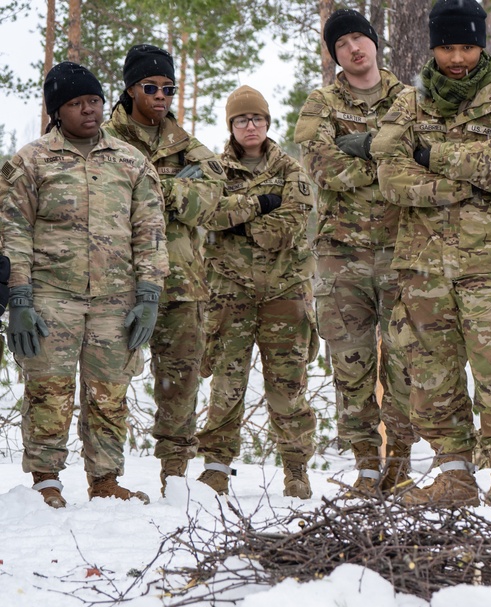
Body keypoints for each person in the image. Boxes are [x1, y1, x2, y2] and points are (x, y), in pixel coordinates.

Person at [371, 0, 491, 508]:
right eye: (448, 47)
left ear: (481, 45)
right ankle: (455, 474)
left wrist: (435, 155)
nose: (458, 58)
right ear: (433, 46)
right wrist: (455, 188)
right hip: (422, 266)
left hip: (489, 266)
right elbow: (388, 173)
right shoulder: (409, 103)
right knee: (430, 377)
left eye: (467, 46)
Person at [0, 62, 167, 507]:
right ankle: (45, 480)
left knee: (110, 395)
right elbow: (13, 231)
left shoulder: (131, 161)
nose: (89, 111)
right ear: (58, 111)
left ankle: (106, 480)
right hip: (51, 298)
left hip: (116, 301)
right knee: (49, 392)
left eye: (93, 100)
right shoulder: (31, 161)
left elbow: (149, 231)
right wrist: (19, 298)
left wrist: (149, 295)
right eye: (76, 104)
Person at [295, 9, 416, 494]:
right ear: (334, 54)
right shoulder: (320, 102)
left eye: (359, 37)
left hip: (404, 250)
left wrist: (362, 148)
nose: (353, 48)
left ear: (375, 42)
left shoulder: (410, 100)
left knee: (407, 363)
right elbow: (322, 168)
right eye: (341, 43)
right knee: (350, 364)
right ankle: (366, 464)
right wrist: (384, 159)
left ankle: (400, 462)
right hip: (341, 255)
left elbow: (421, 167)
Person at [103, 44, 225, 495]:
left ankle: (174, 475)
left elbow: (210, 201)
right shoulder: (103, 137)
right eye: (151, 87)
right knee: (109, 382)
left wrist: (152, 190)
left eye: (168, 88)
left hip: (181, 283)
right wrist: (173, 186)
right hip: (118, 282)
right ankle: (105, 478)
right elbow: (102, 203)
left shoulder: (187, 144)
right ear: (130, 88)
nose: (161, 96)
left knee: (180, 385)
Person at [195, 86, 318, 499]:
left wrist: (240, 216)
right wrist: (260, 204)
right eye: (242, 120)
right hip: (229, 295)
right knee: (226, 384)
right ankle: (215, 467)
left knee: (288, 388)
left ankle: (296, 470)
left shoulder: (291, 170)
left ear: (268, 123)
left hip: (285, 294)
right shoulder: (213, 170)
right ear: (231, 126)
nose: (251, 126)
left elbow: (286, 228)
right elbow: (208, 214)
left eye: (257, 119)